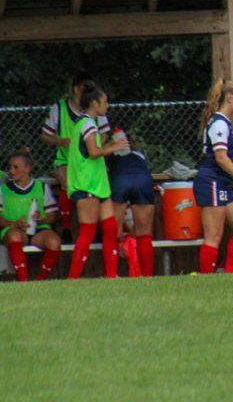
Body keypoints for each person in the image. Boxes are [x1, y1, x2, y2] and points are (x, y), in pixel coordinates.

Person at [194, 79, 233, 275]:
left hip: (222, 183)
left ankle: (229, 274)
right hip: (212, 181)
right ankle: (207, 278)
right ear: (229, 99)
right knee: (214, 235)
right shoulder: (219, 123)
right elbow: (220, 158)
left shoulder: (224, 123)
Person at [39, 70, 110, 234]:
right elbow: (45, 136)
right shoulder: (59, 108)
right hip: (66, 160)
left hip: (90, 160)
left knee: (100, 183)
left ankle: (99, 225)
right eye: (87, 87)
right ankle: (66, 228)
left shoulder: (97, 108)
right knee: (66, 180)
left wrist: (97, 145)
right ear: (77, 89)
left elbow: (105, 133)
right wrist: (62, 141)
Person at [65, 82, 124, 279]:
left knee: (110, 228)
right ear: (94, 103)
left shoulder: (86, 123)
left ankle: (112, 276)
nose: (107, 105)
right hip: (86, 184)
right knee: (88, 232)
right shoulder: (88, 124)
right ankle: (72, 279)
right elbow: (93, 152)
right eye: (104, 102)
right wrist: (114, 147)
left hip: (98, 185)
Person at [1, 148, 61, 281]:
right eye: (10, 167)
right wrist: (13, 223)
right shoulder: (3, 189)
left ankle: (40, 282)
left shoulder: (41, 187)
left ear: (28, 168)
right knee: (14, 236)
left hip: (38, 229)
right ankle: (24, 282)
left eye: (16, 167)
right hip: (14, 229)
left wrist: (42, 218)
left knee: (54, 242)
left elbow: (52, 216)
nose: (11, 171)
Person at [106, 124, 157, 276]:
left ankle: (112, 274)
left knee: (114, 231)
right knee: (144, 233)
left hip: (120, 179)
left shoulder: (109, 154)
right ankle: (147, 276)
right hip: (142, 179)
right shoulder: (139, 155)